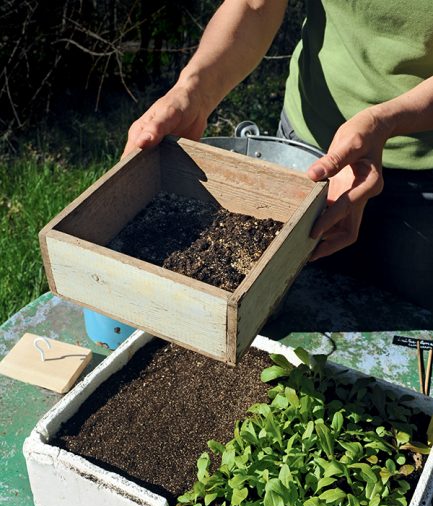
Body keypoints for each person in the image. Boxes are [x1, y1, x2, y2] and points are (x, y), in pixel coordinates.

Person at [122, 1, 433, 311]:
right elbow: (254, 6)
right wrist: (194, 90)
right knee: (281, 306)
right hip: (305, 151)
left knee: (403, 321)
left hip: (421, 180)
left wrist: (387, 121)